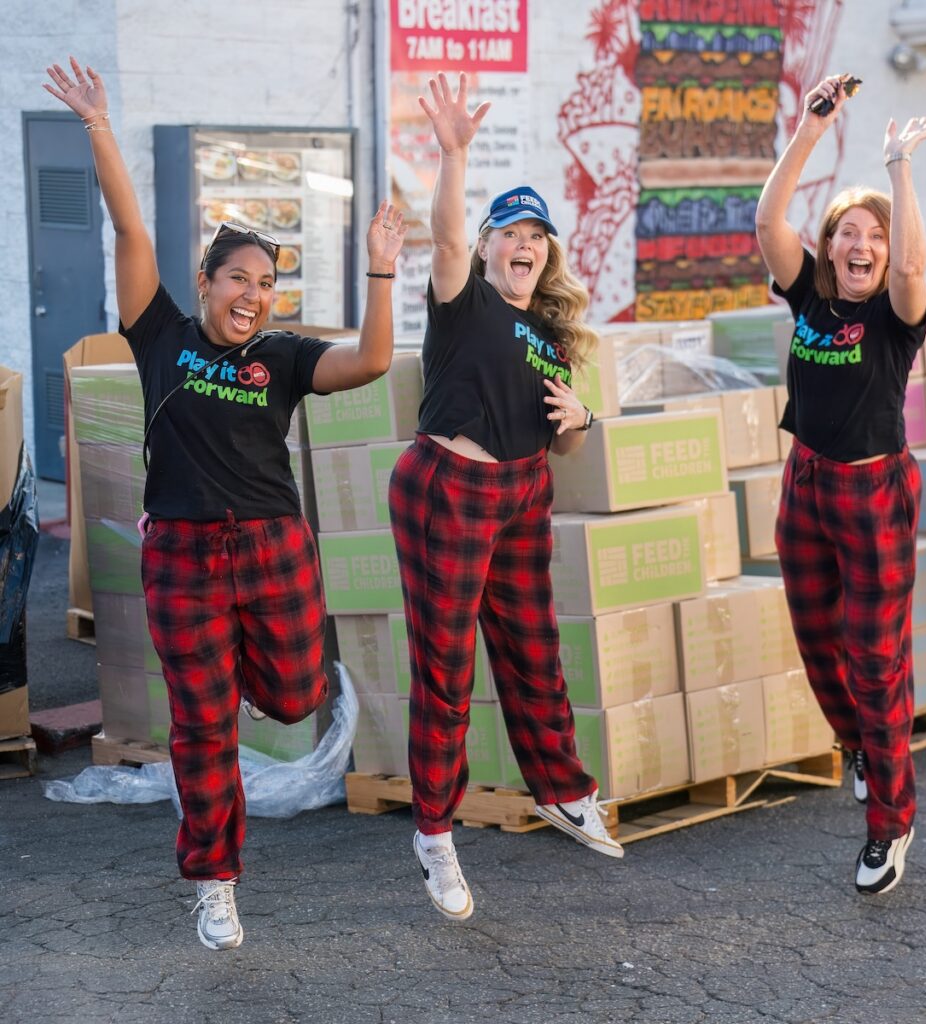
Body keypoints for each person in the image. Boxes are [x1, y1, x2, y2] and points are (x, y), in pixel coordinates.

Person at [45, 57, 406, 949]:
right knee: (200, 729)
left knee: (290, 697)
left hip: (274, 547)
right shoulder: (159, 334)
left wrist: (381, 275)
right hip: (181, 552)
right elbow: (130, 227)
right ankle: (216, 881)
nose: (252, 296)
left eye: (265, 285)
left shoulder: (283, 355)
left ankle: (247, 683)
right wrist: (97, 124)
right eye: (237, 279)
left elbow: (367, 363)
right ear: (206, 282)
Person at [388, 72, 622, 922]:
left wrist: (582, 414)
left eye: (538, 236)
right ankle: (435, 836)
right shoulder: (466, 302)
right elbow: (445, 237)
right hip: (450, 483)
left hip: (523, 490)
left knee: (534, 651)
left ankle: (564, 790)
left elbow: (563, 435)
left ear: (548, 254)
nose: (525, 244)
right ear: (488, 248)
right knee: (447, 671)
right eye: (510, 232)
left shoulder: (552, 334)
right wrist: (453, 154)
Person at [755, 74, 926, 895]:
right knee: (818, 643)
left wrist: (896, 169)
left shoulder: (897, 318)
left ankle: (888, 824)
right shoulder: (808, 298)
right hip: (807, 484)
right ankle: (861, 745)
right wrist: (811, 130)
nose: (862, 246)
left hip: (875, 494)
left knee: (876, 662)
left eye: (874, 236)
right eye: (848, 234)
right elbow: (768, 220)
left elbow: (911, 263)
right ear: (829, 247)